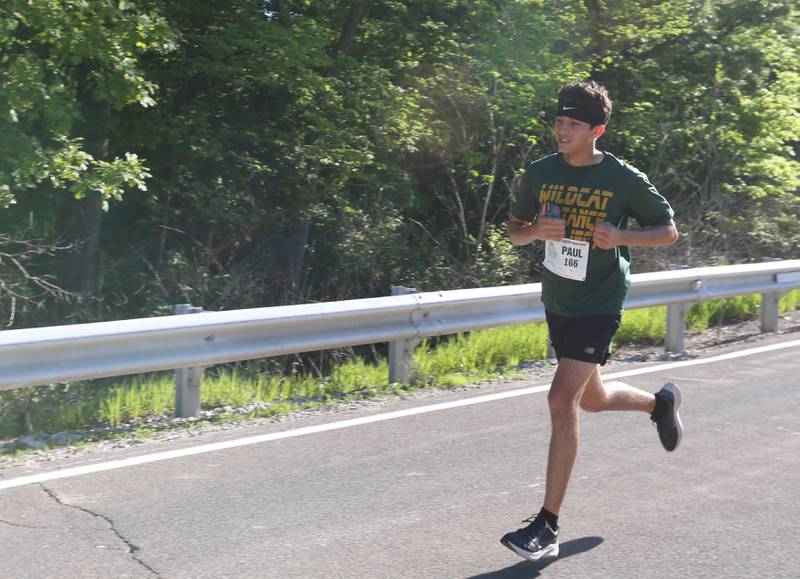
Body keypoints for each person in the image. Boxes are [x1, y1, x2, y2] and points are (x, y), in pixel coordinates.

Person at [500, 80, 683, 562]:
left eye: (573, 124)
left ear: (596, 130)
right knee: (593, 398)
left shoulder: (623, 179)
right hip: (559, 295)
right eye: (559, 121)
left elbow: (667, 231)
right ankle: (658, 405)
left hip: (601, 300)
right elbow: (515, 232)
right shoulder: (539, 173)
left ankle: (547, 525)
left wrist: (622, 234)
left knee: (562, 400)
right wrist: (534, 230)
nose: (561, 130)